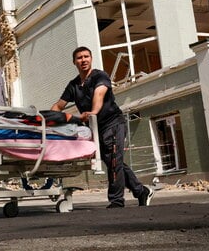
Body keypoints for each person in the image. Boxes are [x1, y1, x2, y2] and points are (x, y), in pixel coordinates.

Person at [51, 46, 153, 208]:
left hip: (113, 123)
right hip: (95, 128)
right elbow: (59, 105)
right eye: (79, 58)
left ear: (91, 59)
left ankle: (117, 201)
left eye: (86, 57)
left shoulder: (100, 76)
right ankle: (141, 191)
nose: (83, 60)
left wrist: (93, 112)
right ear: (74, 62)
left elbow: (99, 94)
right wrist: (49, 119)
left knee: (113, 161)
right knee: (113, 161)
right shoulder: (74, 85)